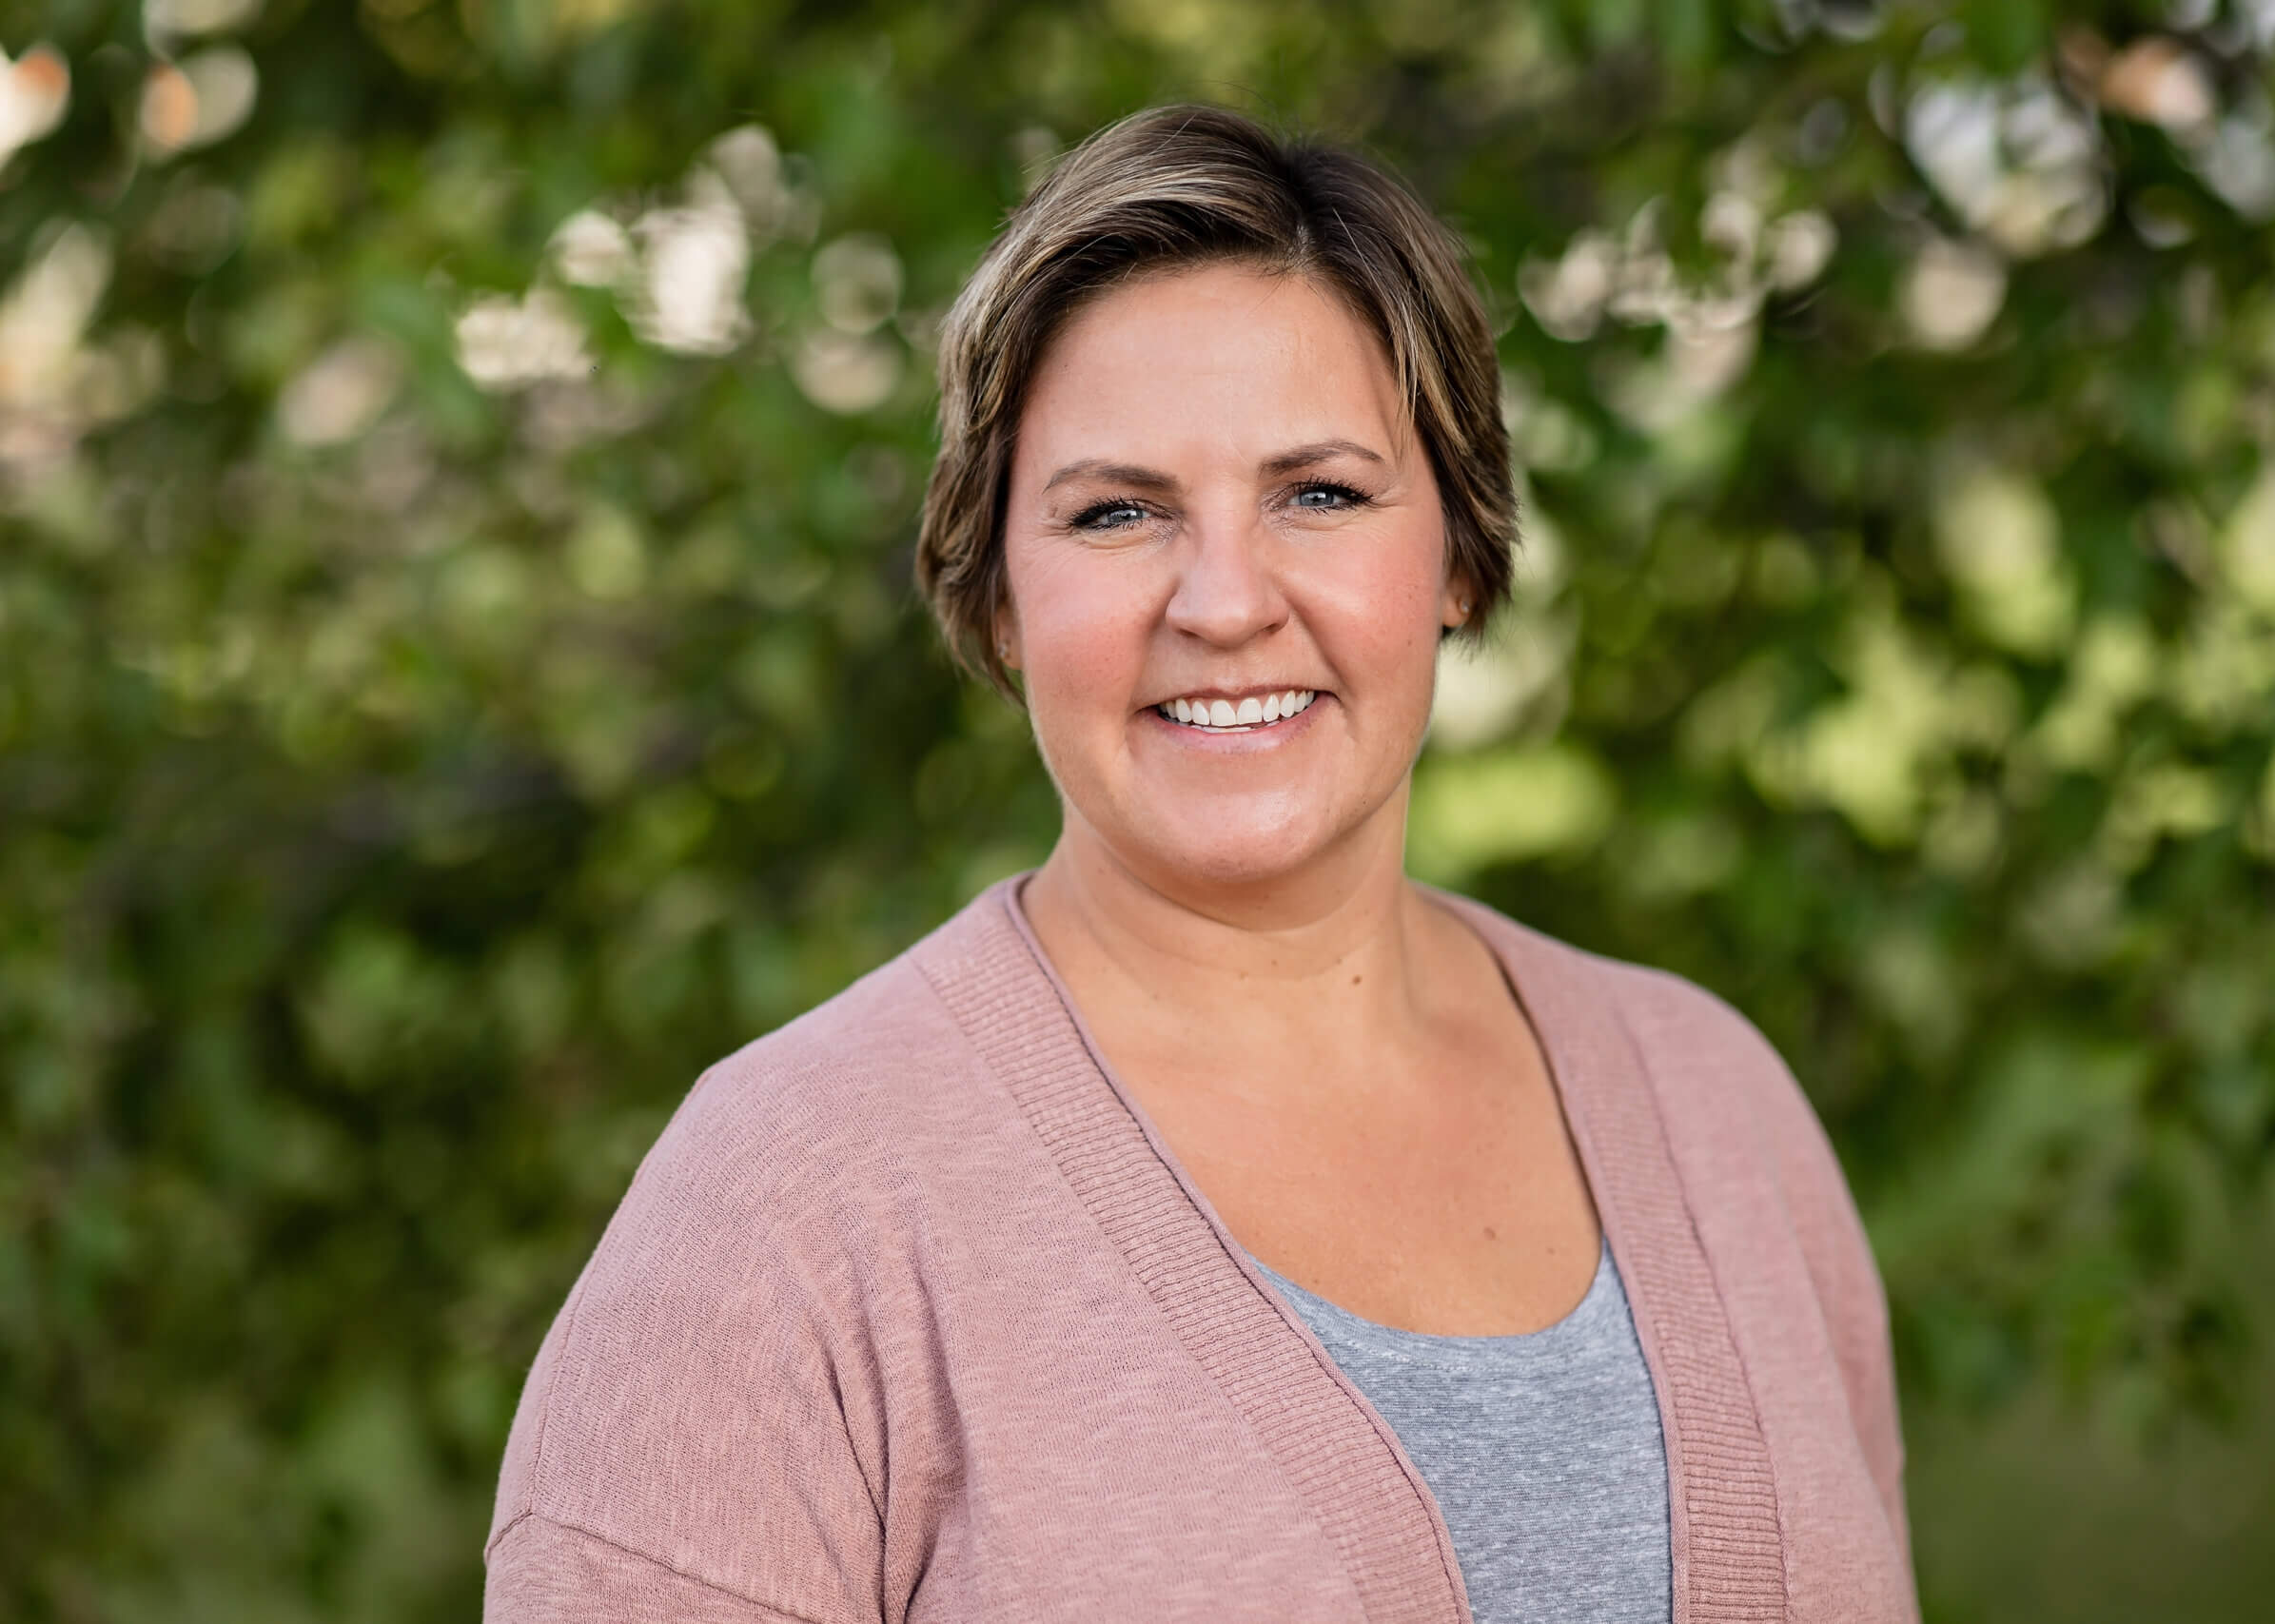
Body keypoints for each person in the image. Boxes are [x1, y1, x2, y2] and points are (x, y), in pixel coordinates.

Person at [484, 104, 1917, 1624]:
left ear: (1456, 552)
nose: (1226, 602)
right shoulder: (784, 1211)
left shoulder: (1717, 1108)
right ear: (995, 601)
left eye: (1320, 493)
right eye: (1118, 512)